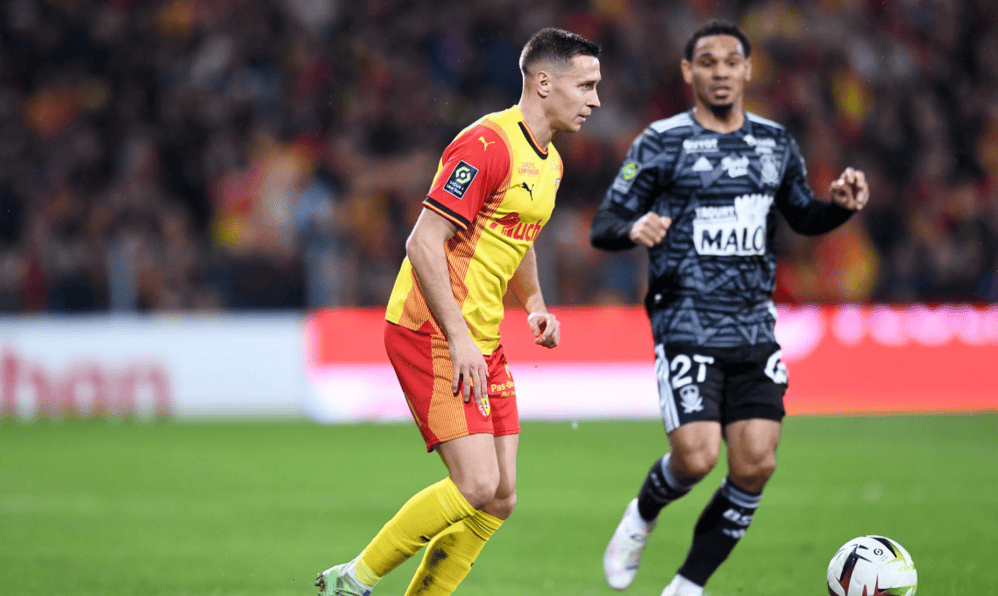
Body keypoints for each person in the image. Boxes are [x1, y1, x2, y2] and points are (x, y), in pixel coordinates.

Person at [315, 28, 601, 596]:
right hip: (432, 329)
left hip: (480, 336)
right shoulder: (486, 145)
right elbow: (422, 242)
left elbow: (519, 235)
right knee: (475, 484)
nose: (596, 100)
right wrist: (459, 338)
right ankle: (352, 580)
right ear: (544, 83)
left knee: (500, 497)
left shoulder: (550, 164)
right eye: (586, 86)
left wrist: (535, 303)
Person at [590, 21, 868, 596]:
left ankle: (687, 586)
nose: (720, 72)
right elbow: (605, 224)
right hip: (685, 319)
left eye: (731, 62)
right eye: (708, 62)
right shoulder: (661, 141)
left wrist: (838, 208)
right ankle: (642, 514)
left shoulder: (775, 143)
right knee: (695, 458)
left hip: (752, 325)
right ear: (688, 71)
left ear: (748, 70)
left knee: (756, 464)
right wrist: (634, 228)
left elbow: (801, 215)